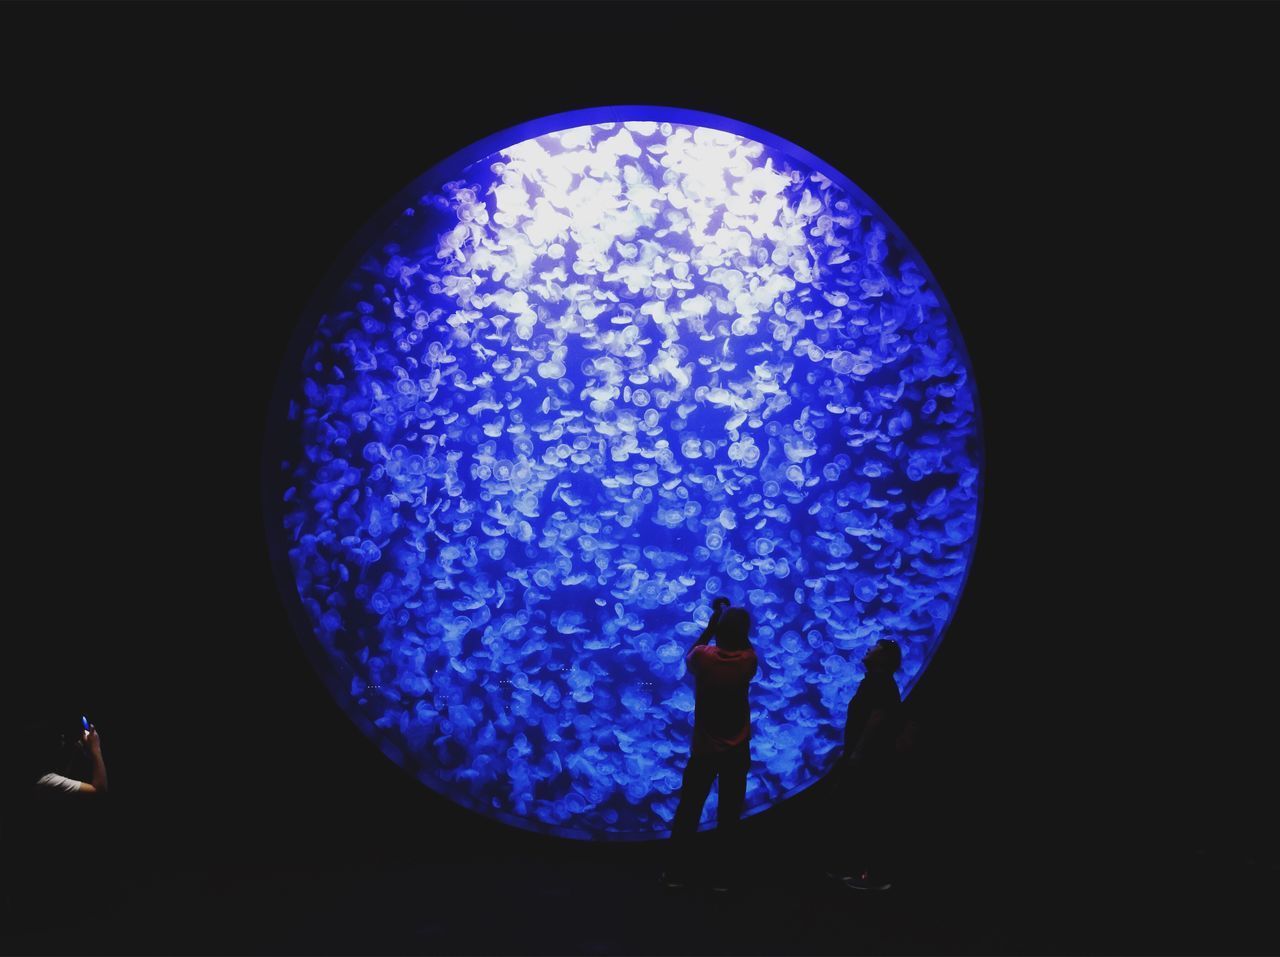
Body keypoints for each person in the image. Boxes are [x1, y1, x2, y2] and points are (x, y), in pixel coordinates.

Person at [663, 596, 758, 891]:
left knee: (689, 809)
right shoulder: (748, 662)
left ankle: (677, 873)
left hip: (704, 749)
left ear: (719, 632)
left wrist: (711, 624)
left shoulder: (703, 658)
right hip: (737, 749)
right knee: (730, 814)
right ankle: (723, 877)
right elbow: (747, 646)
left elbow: (691, 653)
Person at [828, 638, 904, 891]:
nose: (868, 650)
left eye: (874, 648)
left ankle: (872, 875)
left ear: (882, 657)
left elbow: (878, 716)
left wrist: (858, 752)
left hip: (869, 758)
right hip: (868, 755)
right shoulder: (879, 680)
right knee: (859, 810)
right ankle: (854, 869)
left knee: (866, 812)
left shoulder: (879, 681)